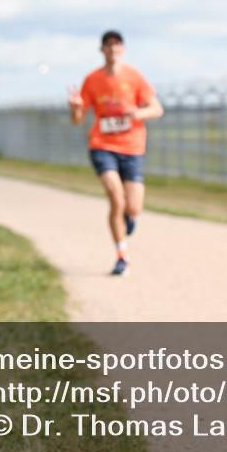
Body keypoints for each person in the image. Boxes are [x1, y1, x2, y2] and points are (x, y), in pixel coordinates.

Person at [68, 30, 164, 275]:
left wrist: (137, 113)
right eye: (108, 45)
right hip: (102, 146)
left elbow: (156, 108)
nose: (113, 49)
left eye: (117, 44)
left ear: (123, 49)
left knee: (133, 207)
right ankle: (122, 256)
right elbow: (78, 120)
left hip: (132, 147)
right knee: (116, 198)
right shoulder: (92, 79)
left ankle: (129, 218)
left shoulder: (134, 76)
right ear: (102, 50)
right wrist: (75, 108)